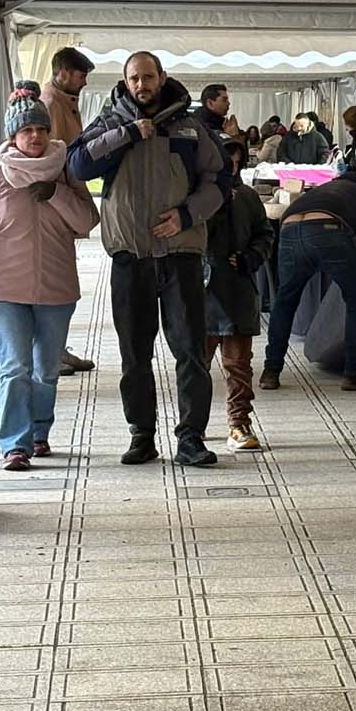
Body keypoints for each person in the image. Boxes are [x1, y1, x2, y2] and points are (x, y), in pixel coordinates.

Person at [68, 51, 225, 467]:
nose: (142, 84)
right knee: (135, 355)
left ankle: (191, 437)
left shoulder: (190, 127)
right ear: (126, 81)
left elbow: (220, 180)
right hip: (130, 257)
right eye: (134, 78)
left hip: (181, 256)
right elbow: (80, 164)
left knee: (191, 351)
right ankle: (142, 435)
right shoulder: (110, 122)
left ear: (162, 77)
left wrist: (187, 215)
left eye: (148, 76)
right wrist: (129, 135)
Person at [0, 82, 99, 471]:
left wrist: (55, 193)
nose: (35, 137)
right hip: (6, 291)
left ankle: (39, 433)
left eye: (40, 130)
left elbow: (88, 221)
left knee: (45, 369)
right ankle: (14, 444)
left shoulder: (65, 171)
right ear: (13, 136)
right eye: (26, 131)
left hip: (56, 290)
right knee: (14, 367)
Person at [260, 171, 356, 390]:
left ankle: (271, 371)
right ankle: (355, 373)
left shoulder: (328, 188)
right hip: (329, 228)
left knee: (285, 301)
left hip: (290, 228)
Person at [205, 135, 275, 452]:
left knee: (238, 364)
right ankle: (192, 423)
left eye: (237, 161)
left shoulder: (246, 196)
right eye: (226, 160)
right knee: (195, 364)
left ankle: (238, 422)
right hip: (201, 290)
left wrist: (252, 257)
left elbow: (264, 232)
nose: (232, 166)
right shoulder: (198, 195)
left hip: (237, 289)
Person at [37, 51, 100, 375]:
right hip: (51, 201)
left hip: (63, 197)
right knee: (53, 283)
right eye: (80, 75)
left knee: (63, 281)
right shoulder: (49, 103)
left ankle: (58, 347)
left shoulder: (63, 101)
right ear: (62, 73)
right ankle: (51, 351)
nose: (85, 81)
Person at [40, 47, 94, 146]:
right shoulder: (50, 105)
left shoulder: (60, 102)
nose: (85, 83)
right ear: (63, 75)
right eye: (82, 76)